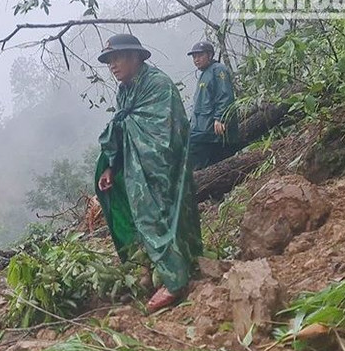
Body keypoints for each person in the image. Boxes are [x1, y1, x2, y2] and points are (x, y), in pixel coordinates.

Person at [95, 33, 203, 312]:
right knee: (141, 215)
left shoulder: (159, 86)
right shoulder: (125, 91)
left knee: (162, 215)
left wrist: (133, 135)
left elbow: (168, 134)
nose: (113, 66)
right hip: (135, 166)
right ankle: (155, 265)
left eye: (117, 58)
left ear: (136, 57)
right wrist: (110, 165)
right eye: (109, 62)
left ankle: (175, 281)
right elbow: (122, 126)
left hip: (162, 166)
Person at [187, 41, 238, 170]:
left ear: (210, 55)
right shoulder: (205, 73)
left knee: (200, 162)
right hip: (202, 128)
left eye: (200, 55)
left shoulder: (218, 69)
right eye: (194, 57)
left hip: (211, 130)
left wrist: (220, 118)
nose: (196, 60)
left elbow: (225, 95)